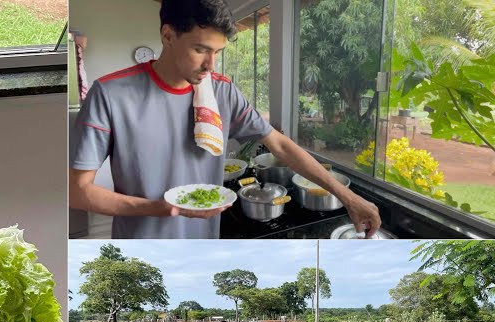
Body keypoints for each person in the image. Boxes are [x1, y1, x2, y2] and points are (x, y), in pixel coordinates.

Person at [69, 0, 382, 239]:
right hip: (143, 242)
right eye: (200, 49)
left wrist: (348, 197)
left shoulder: (222, 91)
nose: (210, 64)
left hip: (207, 241)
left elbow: (281, 146)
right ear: (167, 35)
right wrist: (160, 209)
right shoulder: (110, 94)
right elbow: (78, 191)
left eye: (217, 51)